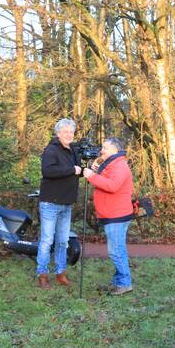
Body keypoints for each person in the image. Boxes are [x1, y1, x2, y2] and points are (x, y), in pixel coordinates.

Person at [83, 137, 135, 296]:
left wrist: (91, 176)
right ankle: (119, 281)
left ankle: (125, 283)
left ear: (115, 149)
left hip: (116, 215)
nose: (101, 151)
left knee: (116, 251)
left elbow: (112, 186)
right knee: (119, 249)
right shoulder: (112, 164)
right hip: (113, 214)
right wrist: (96, 170)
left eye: (105, 148)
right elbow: (106, 180)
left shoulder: (120, 165)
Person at [36, 118, 81, 289]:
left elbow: (76, 172)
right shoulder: (51, 150)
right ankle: (42, 274)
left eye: (71, 132)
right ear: (58, 133)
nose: (69, 134)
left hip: (66, 202)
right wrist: (72, 170)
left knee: (63, 240)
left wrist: (87, 170)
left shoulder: (73, 150)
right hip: (50, 202)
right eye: (65, 132)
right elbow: (47, 171)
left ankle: (60, 272)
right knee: (47, 240)